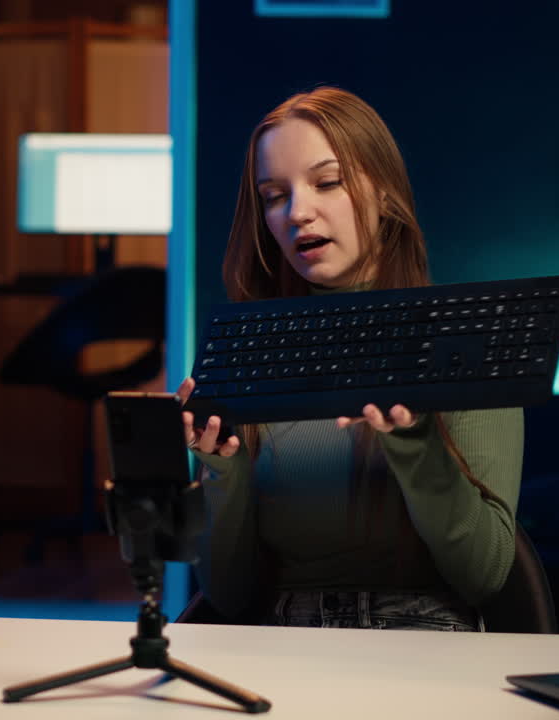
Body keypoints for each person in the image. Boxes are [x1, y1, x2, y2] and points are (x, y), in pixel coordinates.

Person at [176, 86, 524, 631]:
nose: (297, 212)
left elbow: (484, 577)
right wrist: (221, 469)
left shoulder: (465, 342)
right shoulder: (251, 356)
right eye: (273, 195)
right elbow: (228, 595)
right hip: (279, 642)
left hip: (425, 640)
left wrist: (413, 443)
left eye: (327, 182)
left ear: (385, 192)